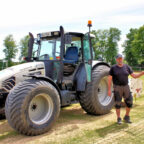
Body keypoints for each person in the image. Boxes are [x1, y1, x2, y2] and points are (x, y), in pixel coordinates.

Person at [108, 54, 144, 124]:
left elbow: (134, 76)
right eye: (118, 59)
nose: (120, 60)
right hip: (117, 87)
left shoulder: (127, 67)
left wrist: (142, 73)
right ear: (116, 59)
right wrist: (109, 89)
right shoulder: (113, 68)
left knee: (129, 102)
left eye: (121, 58)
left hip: (126, 87)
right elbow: (109, 79)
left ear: (123, 59)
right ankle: (118, 118)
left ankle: (126, 116)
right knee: (118, 103)